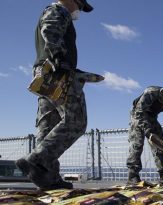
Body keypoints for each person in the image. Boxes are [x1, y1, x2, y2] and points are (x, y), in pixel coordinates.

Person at [15, 0, 100, 190]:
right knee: (76, 121)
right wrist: (60, 63)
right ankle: (36, 161)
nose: (79, 12)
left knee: (49, 123)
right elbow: (50, 30)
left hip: (44, 73)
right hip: (57, 71)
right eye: (80, 6)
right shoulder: (58, 10)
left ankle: (49, 178)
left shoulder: (52, 11)